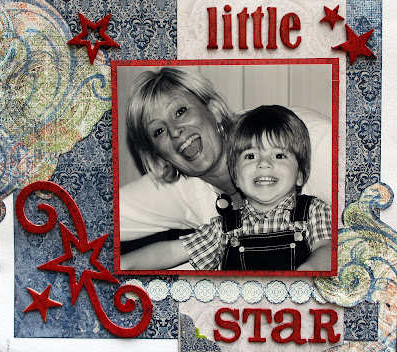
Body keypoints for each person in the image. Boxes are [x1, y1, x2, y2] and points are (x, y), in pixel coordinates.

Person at [120, 67, 332, 270]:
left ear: (214, 110)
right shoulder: (222, 227)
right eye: (158, 130)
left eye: (181, 111)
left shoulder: (315, 147)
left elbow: (329, 247)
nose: (174, 131)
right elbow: (171, 251)